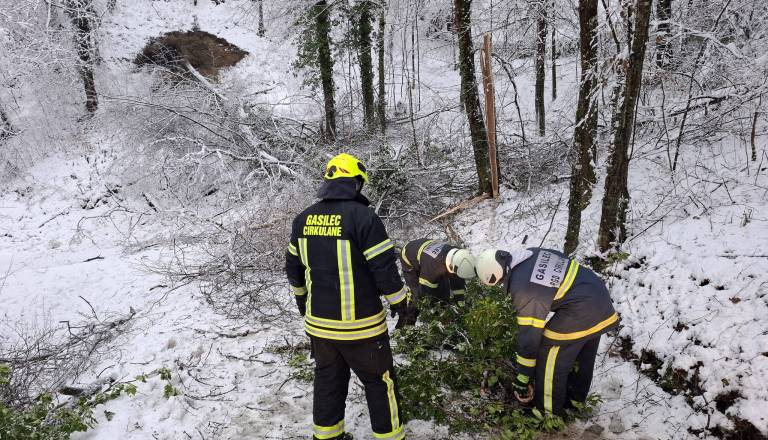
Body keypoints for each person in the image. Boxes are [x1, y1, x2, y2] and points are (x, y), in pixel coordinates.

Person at [285, 153, 413, 440]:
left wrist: (303, 301)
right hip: (362, 327)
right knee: (380, 384)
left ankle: (327, 436)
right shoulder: (364, 217)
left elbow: (293, 270)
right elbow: (384, 269)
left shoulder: (302, 219)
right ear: (356, 183)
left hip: (319, 328)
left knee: (328, 382)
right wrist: (400, 303)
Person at [475, 247, 618, 416]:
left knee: (549, 350)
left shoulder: (524, 289)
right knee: (581, 354)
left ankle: (548, 414)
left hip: (582, 308)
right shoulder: (530, 253)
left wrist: (523, 376)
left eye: (498, 283)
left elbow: (529, 337)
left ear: (494, 276)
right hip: (599, 301)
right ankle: (574, 402)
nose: (501, 286)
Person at [399, 238, 476, 313]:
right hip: (408, 257)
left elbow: (457, 279)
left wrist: (460, 302)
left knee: (444, 288)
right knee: (418, 292)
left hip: (426, 249)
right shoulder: (433, 268)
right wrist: (435, 311)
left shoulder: (458, 256)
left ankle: (445, 308)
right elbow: (427, 292)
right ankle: (410, 317)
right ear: (450, 266)